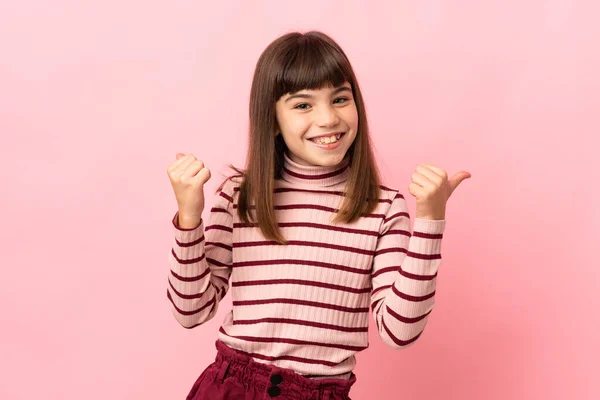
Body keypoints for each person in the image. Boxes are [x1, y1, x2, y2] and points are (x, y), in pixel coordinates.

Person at [166, 30, 471, 400]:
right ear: (273, 121)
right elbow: (190, 310)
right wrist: (189, 218)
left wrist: (430, 220)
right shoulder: (239, 197)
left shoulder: (383, 209)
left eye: (340, 99)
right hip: (232, 386)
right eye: (302, 105)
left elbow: (399, 331)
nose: (328, 119)